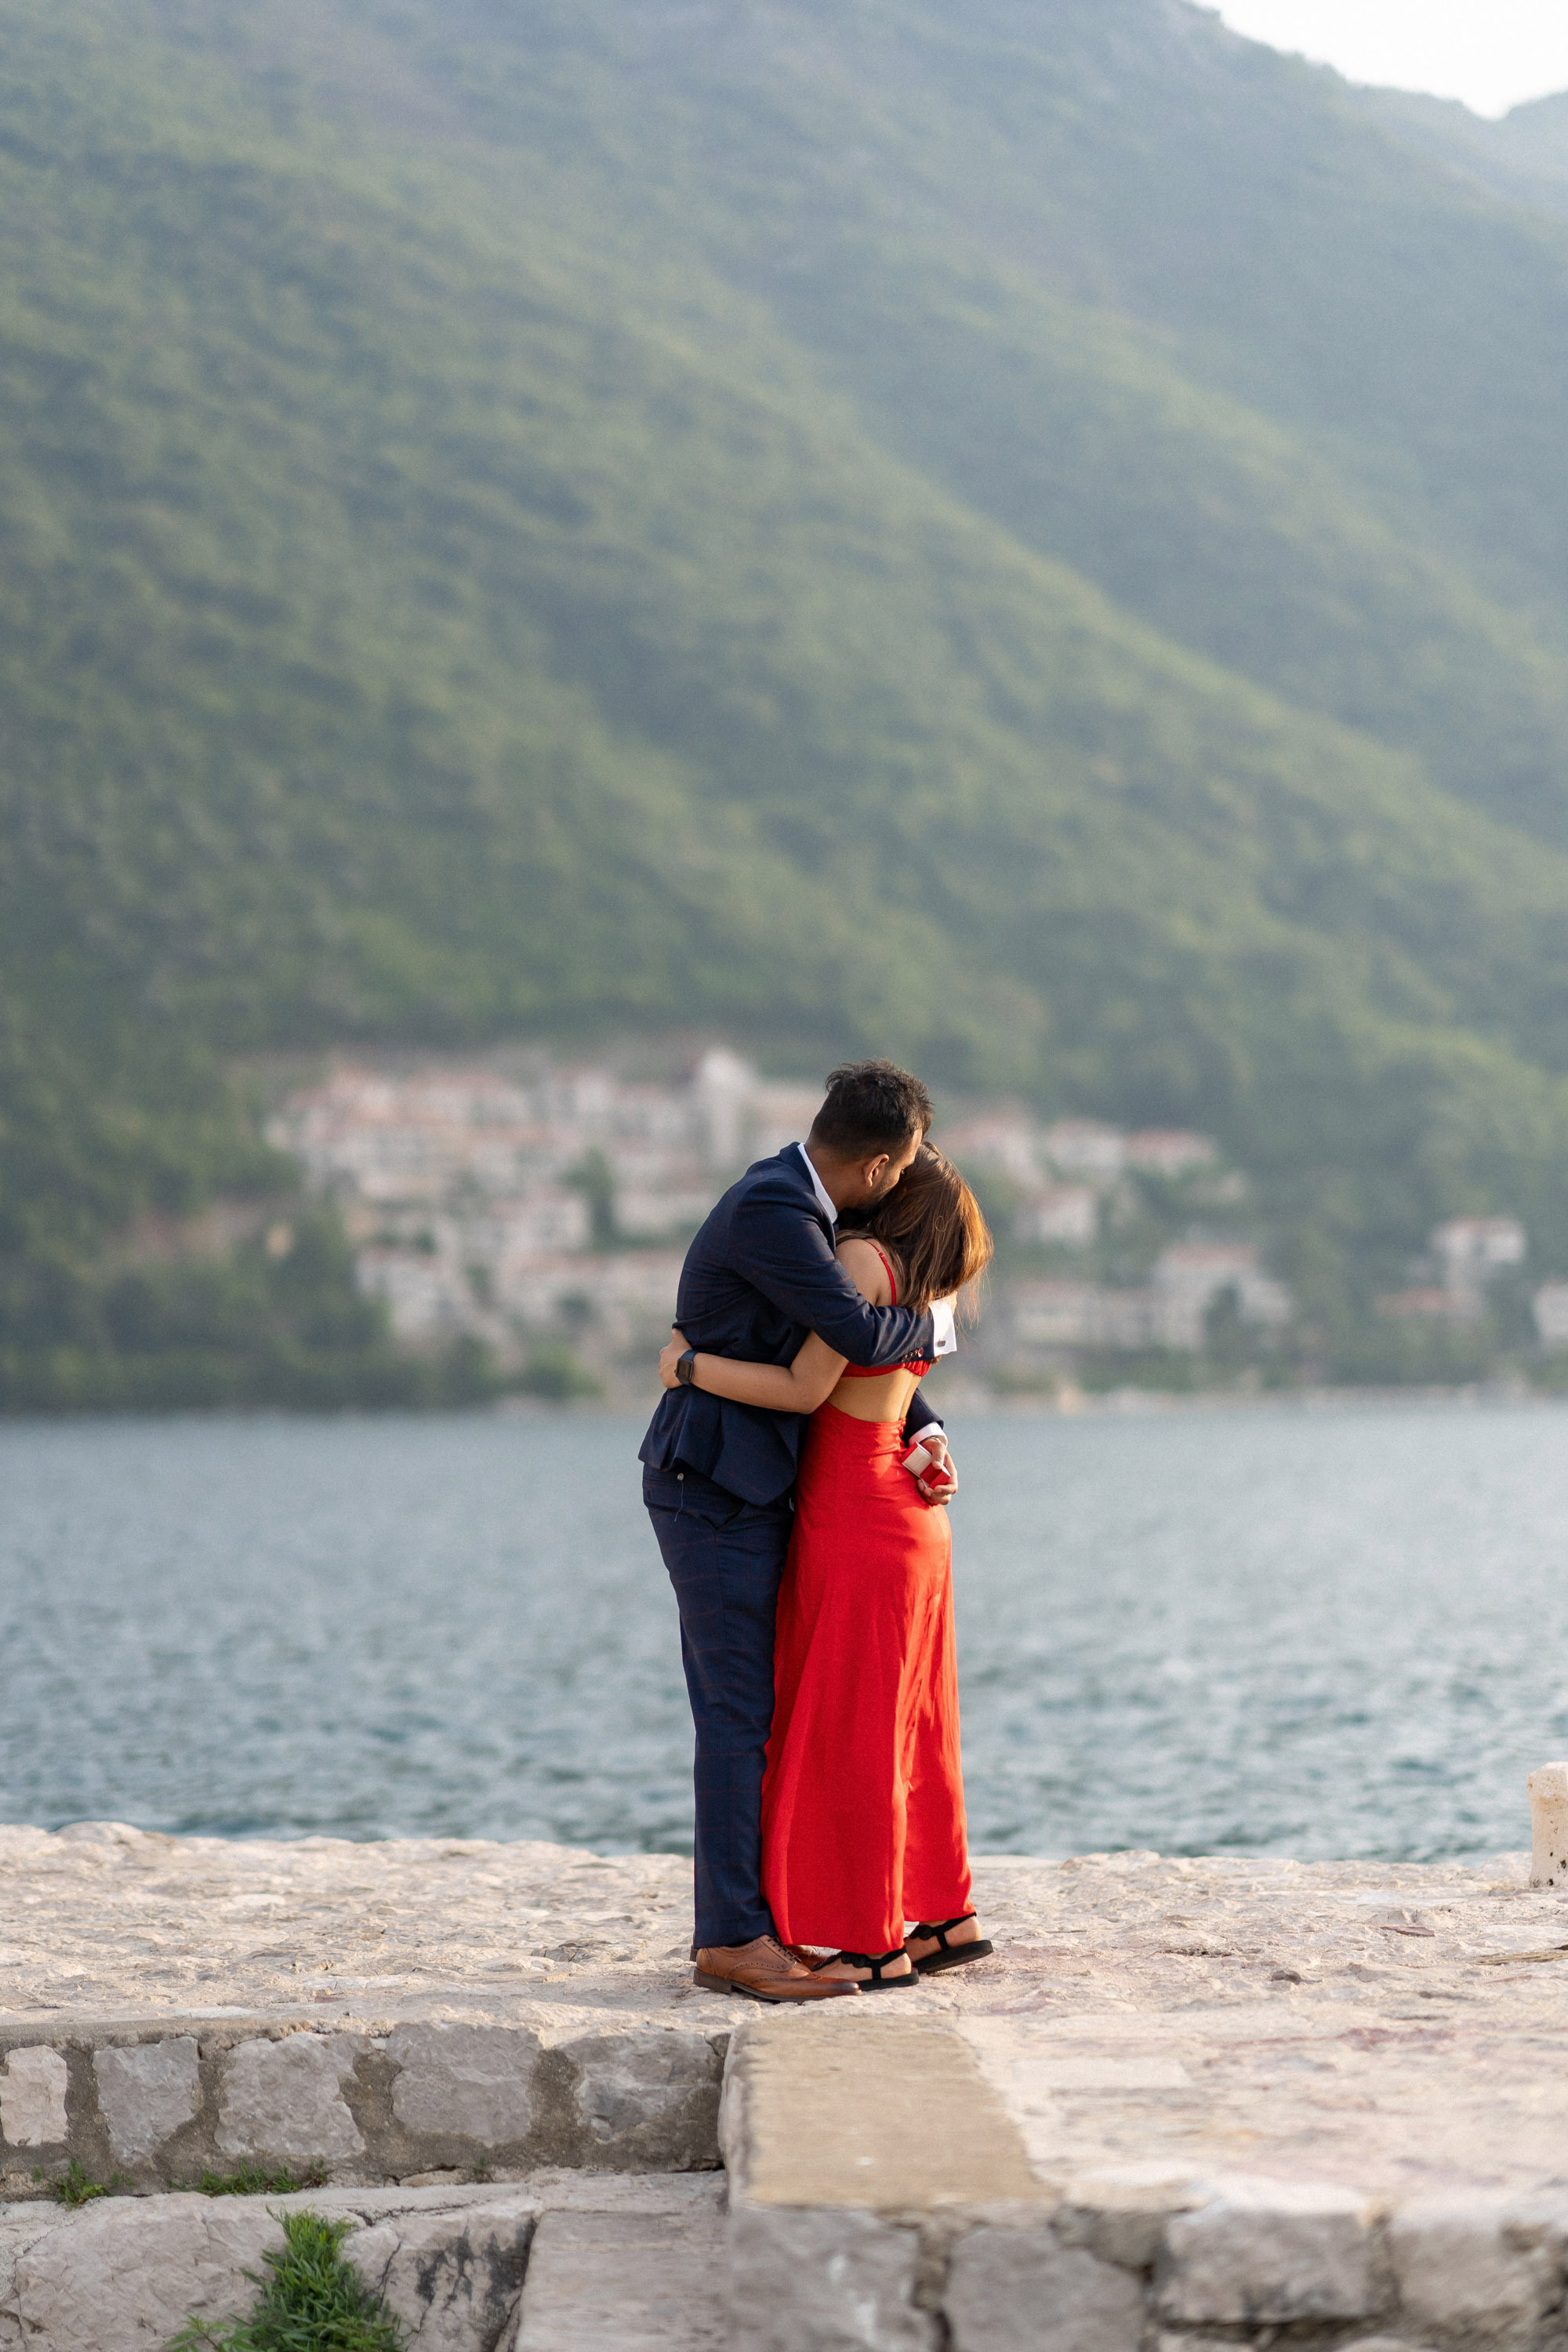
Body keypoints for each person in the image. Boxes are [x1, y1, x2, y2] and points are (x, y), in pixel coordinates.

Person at [641, 1061, 959, 2002]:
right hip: (710, 1487)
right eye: (899, 1173)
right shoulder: (776, 1212)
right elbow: (859, 1336)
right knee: (737, 1714)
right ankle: (732, 1938)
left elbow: (847, 1342)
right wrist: (942, 1325)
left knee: (762, 1709)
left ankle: (757, 1916)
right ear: (874, 1165)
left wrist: (924, 1417)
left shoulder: (804, 1209)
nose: (898, 1191)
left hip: (753, 1484)